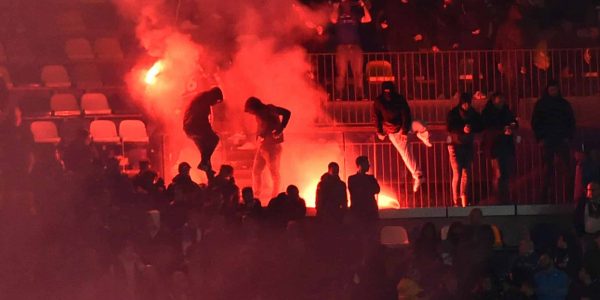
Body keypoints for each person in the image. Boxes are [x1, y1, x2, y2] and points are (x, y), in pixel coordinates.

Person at [374, 81, 424, 192]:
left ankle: (418, 175)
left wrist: (404, 131)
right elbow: (376, 117)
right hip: (394, 132)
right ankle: (418, 176)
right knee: (406, 154)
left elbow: (406, 114)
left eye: (389, 92)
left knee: (419, 127)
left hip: (402, 128)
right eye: (386, 92)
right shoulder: (379, 101)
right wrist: (379, 131)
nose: (388, 95)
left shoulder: (399, 99)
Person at [531, 80, 576, 202]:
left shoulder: (561, 104)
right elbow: (536, 123)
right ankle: (548, 194)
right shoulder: (544, 105)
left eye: (555, 90)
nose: (553, 92)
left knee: (565, 168)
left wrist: (567, 137)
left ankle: (566, 193)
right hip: (549, 140)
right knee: (548, 169)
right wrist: (541, 138)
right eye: (551, 90)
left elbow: (570, 121)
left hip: (559, 139)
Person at [244, 97, 291, 199]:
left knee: (274, 173)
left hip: (272, 147)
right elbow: (264, 125)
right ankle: (256, 194)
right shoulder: (264, 112)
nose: (251, 114)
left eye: (250, 111)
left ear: (254, 107)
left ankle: (275, 196)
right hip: (263, 147)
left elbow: (287, 113)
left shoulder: (269, 110)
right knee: (256, 171)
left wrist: (281, 128)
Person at [446, 92, 483, 207]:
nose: (467, 105)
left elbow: (480, 125)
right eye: (465, 103)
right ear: (461, 103)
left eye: (468, 103)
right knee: (457, 173)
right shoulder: (453, 113)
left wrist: (471, 128)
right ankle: (456, 200)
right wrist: (463, 129)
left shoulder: (473, 114)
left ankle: (463, 199)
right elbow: (450, 127)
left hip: (467, 145)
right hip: (455, 145)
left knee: (466, 173)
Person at [330, 0, 372, 100]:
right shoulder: (338, 15)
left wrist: (364, 6)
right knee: (341, 73)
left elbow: (368, 19)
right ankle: (338, 95)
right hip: (342, 47)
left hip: (355, 47)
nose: (346, 6)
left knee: (358, 73)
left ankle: (360, 95)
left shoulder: (354, 15)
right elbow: (333, 20)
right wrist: (335, 7)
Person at [481, 92, 518, 204]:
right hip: (495, 147)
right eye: (499, 100)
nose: (501, 102)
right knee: (499, 173)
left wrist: (512, 126)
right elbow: (488, 129)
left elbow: (514, 121)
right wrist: (503, 130)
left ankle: (504, 198)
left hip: (505, 146)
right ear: (493, 100)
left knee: (505, 173)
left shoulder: (506, 110)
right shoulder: (488, 112)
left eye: (502, 100)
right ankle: (498, 198)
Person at [183, 87, 223, 177]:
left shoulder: (201, 99)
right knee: (214, 139)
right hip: (195, 127)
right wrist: (210, 132)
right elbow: (203, 120)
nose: (215, 103)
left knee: (204, 152)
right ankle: (205, 165)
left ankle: (207, 168)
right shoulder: (203, 103)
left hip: (190, 128)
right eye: (216, 101)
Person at [348, 156, 380, 223]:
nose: (369, 165)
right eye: (366, 163)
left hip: (371, 212)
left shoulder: (371, 178)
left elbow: (377, 189)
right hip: (359, 212)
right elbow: (355, 192)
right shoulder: (352, 179)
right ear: (360, 165)